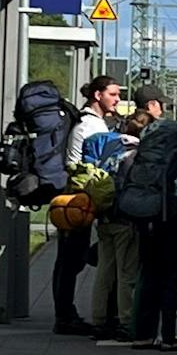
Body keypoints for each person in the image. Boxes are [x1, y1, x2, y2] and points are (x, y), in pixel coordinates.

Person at [52, 73, 119, 335]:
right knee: (71, 260)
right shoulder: (90, 126)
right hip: (80, 201)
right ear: (97, 95)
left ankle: (65, 314)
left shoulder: (91, 123)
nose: (117, 99)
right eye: (113, 94)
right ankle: (65, 316)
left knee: (70, 259)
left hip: (80, 199)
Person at [131, 113, 177, 350]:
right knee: (170, 281)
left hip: (147, 221)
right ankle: (167, 337)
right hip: (172, 225)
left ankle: (143, 335)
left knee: (148, 278)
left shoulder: (155, 156)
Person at [87, 112, 146, 341]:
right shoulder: (136, 155)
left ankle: (98, 321)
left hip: (104, 219)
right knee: (125, 274)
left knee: (104, 272)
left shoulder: (111, 149)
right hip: (125, 221)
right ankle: (126, 322)